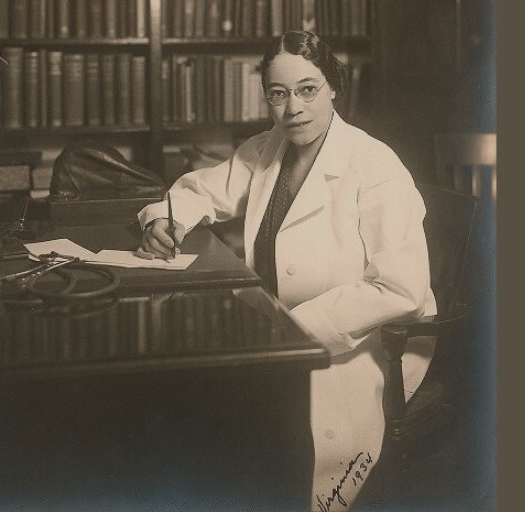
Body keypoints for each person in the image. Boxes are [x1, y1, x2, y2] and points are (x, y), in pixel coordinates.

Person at [136, 31, 437, 511]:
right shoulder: (266, 150)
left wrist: (295, 329)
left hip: (360, 343)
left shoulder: (376, 166)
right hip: (277, 334)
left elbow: (399, 288)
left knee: (273, 441)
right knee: (202, 410)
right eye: (278, 94)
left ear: (334, 88)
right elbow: (197, 192)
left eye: (307, 89)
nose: (292, 107)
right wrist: (165, 218)